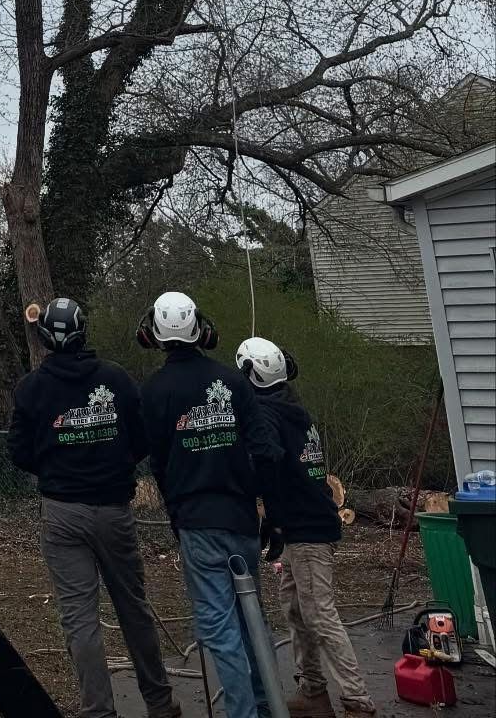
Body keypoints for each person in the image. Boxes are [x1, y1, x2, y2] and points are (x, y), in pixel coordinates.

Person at [8, 297, 181, 718]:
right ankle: (160, 702)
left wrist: (53, 466)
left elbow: (18, 451)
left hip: (63, 513)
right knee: (133, 607)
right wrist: (116, 462)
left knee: (79, 617)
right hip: (114, 510)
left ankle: (99, 711)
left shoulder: (31, 388)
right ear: (84, 331)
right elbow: (141, 439)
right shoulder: (117, 380)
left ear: (45, 337)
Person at [139, 291, 283, 718]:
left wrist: (174, 514)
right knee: (251, 616)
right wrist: (272, 517)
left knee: (220, 628)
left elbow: (159, 464)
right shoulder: (233, 381)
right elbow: (266, 452)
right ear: (201, 330)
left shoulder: (155, 391)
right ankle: (265, 703)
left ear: (156, 336)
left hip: (197, 523)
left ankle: (244, 713)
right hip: (240, 517)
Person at [237, 336, 375, 718]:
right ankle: (312, 688)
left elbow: (268, 467)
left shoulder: (267, 417)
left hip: (308, 529)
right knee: (296, 609)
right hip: (303, 525)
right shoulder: (293, 410)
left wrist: (266, 511)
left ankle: (357, 700)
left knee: (318, 613)